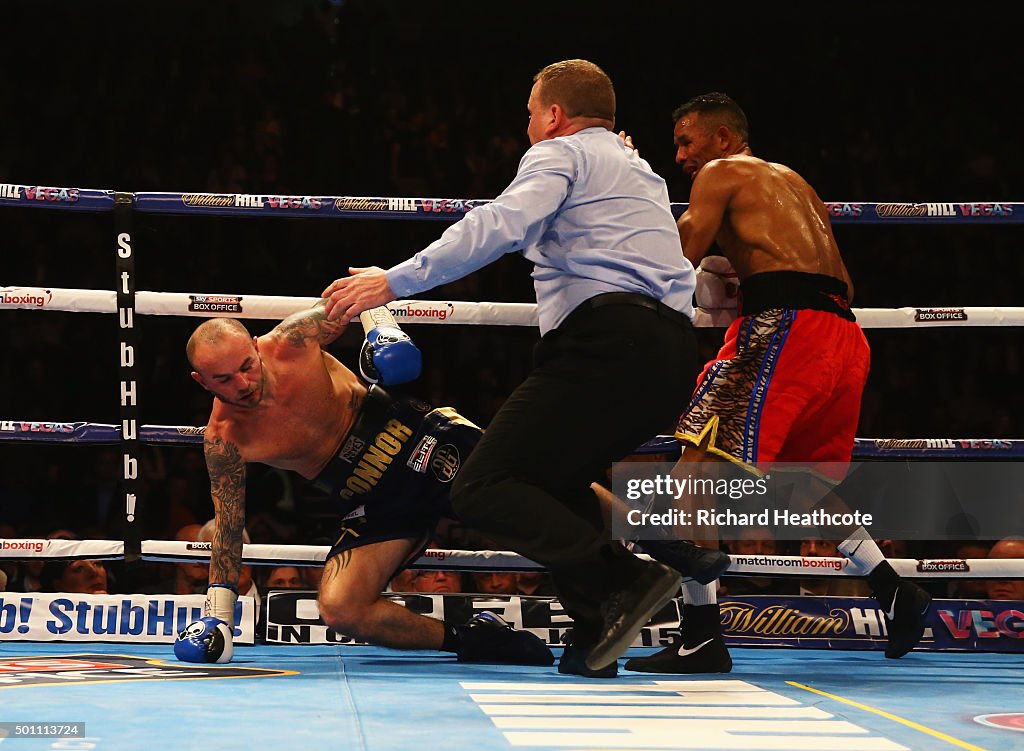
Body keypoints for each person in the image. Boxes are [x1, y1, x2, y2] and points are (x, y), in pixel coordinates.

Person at [322, 58, 700, 677]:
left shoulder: (562, 154)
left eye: (530, 115)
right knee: (552, 481)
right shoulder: (640, 170)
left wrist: (393, 281)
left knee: (480, 486)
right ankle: (596, 623)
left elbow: (499, 223)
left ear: (553, 115)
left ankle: (625, 580)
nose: (528, 127)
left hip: (604, 346)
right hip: (668, 355)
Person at [623, 93, 932, 674]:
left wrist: (628, 191)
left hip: (782, 329)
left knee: (697, 461)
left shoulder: (722, 171)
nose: (682, 156)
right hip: (842, 337)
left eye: (687, 142)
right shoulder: (796, 184)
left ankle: (700, 636)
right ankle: (896, 590)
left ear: (721, 137)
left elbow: (680, 249)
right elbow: (830, 276)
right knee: (799, 485)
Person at [173, 301, 552, 667]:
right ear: (200, 381)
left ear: (256, 346)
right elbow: (228, 526)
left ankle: (611, 560)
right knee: (341, 608)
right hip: (373, 499)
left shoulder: (293, 340)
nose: (243, 384)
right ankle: (473, 639)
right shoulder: (225, 439)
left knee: (543, 495)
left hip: (418, 441)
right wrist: (218, 615)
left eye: (246, 366)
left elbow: (364, 293)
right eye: (224, 379)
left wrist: (382, 329)